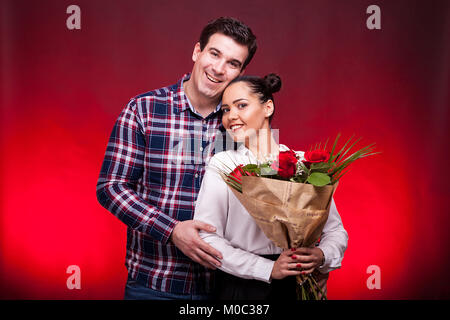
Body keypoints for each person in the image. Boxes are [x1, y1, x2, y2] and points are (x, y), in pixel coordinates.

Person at [96, 17, 257, 300]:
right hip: (153, 284)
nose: (219, 69)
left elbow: (265, 195)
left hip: (225, 288)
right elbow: (111, 187)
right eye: (214, 54)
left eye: (233, 63)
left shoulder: (244, 122)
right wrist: (171, 231)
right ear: (197, 52)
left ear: (242, 72)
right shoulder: (144, 110)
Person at [193, 74, 348, 300]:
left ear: (267, 107)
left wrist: (321, 256)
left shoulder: (304, 163)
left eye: (241, 106)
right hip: (244, 287)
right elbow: (207, 236)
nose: (231, 116)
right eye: (225, 110)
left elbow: (335, 231)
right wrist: (266, 269)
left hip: (300, 280)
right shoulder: (224, 164)